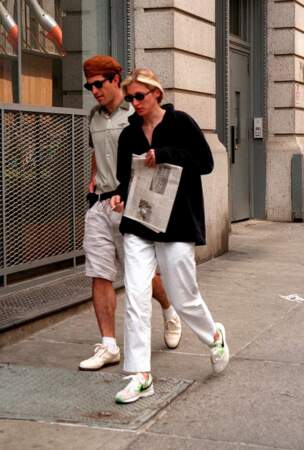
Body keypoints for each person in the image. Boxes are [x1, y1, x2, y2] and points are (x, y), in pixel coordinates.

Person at [111, 68, 230, 403]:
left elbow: (206, 163)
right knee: (135, 297)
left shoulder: (181, 123)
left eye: (140, 96)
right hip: (138, 223)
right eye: (130, 97)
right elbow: (125, 178)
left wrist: (165, 154)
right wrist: (119, 195)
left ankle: (214, 335)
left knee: (182, 296)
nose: (134, 103)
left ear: (156, 95)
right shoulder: (128, 135)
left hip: (176, 223)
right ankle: (140, 375)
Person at [79, 56, 182, 371]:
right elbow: (99, 154)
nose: (94, 91)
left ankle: (169, 309)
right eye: (89, 85)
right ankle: (109, 345)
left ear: (114, 80)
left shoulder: (136, 113)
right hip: (99, 204)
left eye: (99, 84)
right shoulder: (94, 118)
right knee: (100, 273)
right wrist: (93, 182)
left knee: (143, 277)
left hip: (132, 206)